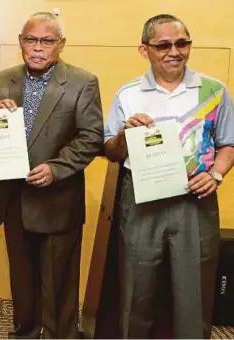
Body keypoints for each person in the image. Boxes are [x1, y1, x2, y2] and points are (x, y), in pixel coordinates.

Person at [104, 14, 234, 338]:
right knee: (136, 291)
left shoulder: (214, 90)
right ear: (144, 49)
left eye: (182, 43)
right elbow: (111, 150)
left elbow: (228, 144)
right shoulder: (128, 93)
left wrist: (216, 175)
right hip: (141, 199)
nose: (174, 51)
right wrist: (124, 134)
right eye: (163, 45)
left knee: (195, 294)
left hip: (196, 200)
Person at [0, 12, 104, 339]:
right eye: (30, 40)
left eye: (47, 41)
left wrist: (57, 168)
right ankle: (24, 332)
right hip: (12, 199)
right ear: (21, 42)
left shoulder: (83, 82)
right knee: (22, 279)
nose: (37, 48)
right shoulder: (5, 78)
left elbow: (91, 137)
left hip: (57, 200)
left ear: (61, 45)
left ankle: (60, 335)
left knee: (58, 283)